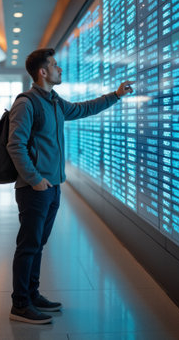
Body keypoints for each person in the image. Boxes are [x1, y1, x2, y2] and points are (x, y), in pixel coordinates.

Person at [7, 48, 134, 325]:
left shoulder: (54, 101)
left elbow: (82, 108)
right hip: (35, 188)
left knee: (38, 244)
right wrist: (35, 179)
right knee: (28, 245)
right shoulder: (26, 103)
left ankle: (32, 294)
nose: (59, 69)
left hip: (52, 186)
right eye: (54, 65)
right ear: (43, 72)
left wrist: (115, 95)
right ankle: (19, 304)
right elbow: (15, 145)